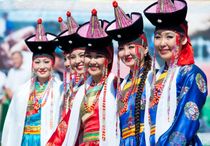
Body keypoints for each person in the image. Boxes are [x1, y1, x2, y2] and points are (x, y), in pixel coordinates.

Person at [143, 0, 208, 145]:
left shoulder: (191, 74)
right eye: (158, 36)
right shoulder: (153, 77)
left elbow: (185, 124)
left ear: (183, 39)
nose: (162, 43)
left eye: (169, 36)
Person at [1, 18, 63, 146]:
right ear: (32, 64)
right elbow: (11, 123)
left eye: (46, 62)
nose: (42, 66)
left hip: (48, 140)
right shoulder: (22, 91)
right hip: (24, 141)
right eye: (37, 62)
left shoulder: (60, 89)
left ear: (52, 64)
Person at [62, 9, 120, 146]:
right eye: (88, 56)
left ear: (109, 58)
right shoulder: (82, 90)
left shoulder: (117, 85)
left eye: (98, 56)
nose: (92, 62)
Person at [105, 1, 152, 145]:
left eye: (131, 47)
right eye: (121, 48)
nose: (126, 53)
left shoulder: (154, 78)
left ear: (145, 48)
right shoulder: (122, 85)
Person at [46, 11, 86, 145]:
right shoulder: (73, 87)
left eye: (82, 55)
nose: (70, 63)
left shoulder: (102, 84)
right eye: (69, 58)